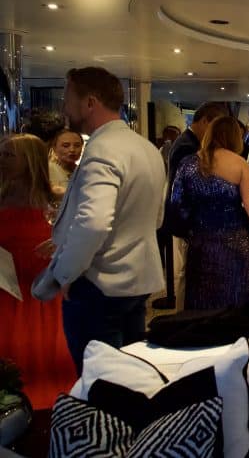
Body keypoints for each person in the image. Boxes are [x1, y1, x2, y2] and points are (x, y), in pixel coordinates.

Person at [31, 67, 166, 375]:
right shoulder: (146, 148)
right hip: (137, 280)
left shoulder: (102, 150)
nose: (64, 108)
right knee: (131, 379)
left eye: (68, 99)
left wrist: (66, 273)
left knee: (99, 382)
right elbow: (157, 217)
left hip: (100, 283)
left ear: (90, 103)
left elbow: (93, 222)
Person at [0, 134, 77, 407]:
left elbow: (80, 235)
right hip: (7, 286)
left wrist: (61, 242)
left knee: (45, 344)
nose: (2, 160)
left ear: (29, 160)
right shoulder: (2, 197)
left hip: (42, 286)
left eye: (9, 155)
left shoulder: (57, 198)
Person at [170, 115, 249, 310]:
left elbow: (177, 204)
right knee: (236, 299)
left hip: (201, 243)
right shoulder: (239, 163)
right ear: (234, 137)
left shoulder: (187, 164)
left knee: (203, 300)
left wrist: (188, 231)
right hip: (237, 242)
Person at [162, 102, 229, 310]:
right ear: (206, 121)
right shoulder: (187, 146)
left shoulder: (190, 142)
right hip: (187, 220)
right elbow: (190, 189)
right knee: (187, 272)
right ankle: (184, 315)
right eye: (216, 126)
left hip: (191, 219)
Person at [48, 128, 83, 198]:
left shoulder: (84, 171)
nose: (72, 150)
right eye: (66, 146)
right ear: (54, 148)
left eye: (77, 145)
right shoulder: (47, 170)